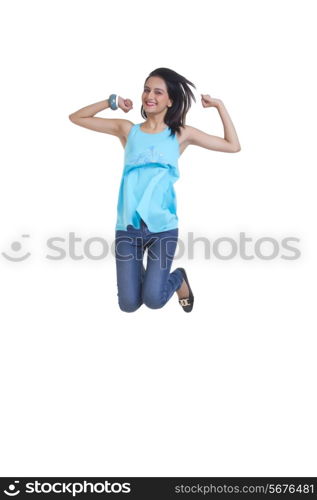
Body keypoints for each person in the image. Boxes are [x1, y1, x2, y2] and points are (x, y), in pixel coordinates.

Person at [69, 67, 241, 313]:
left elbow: (232, 146)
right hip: (128, 226)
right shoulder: (128, 130)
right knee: (128, 304)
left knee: (154, 300)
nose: (150, 96)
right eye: (147, 90)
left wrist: (219, 106)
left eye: (158, 92)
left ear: (170, 101)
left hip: (163, 227)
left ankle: (178, 278)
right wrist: (112, 102)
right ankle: (144, 276)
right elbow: (76, 118)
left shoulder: (181, 134)